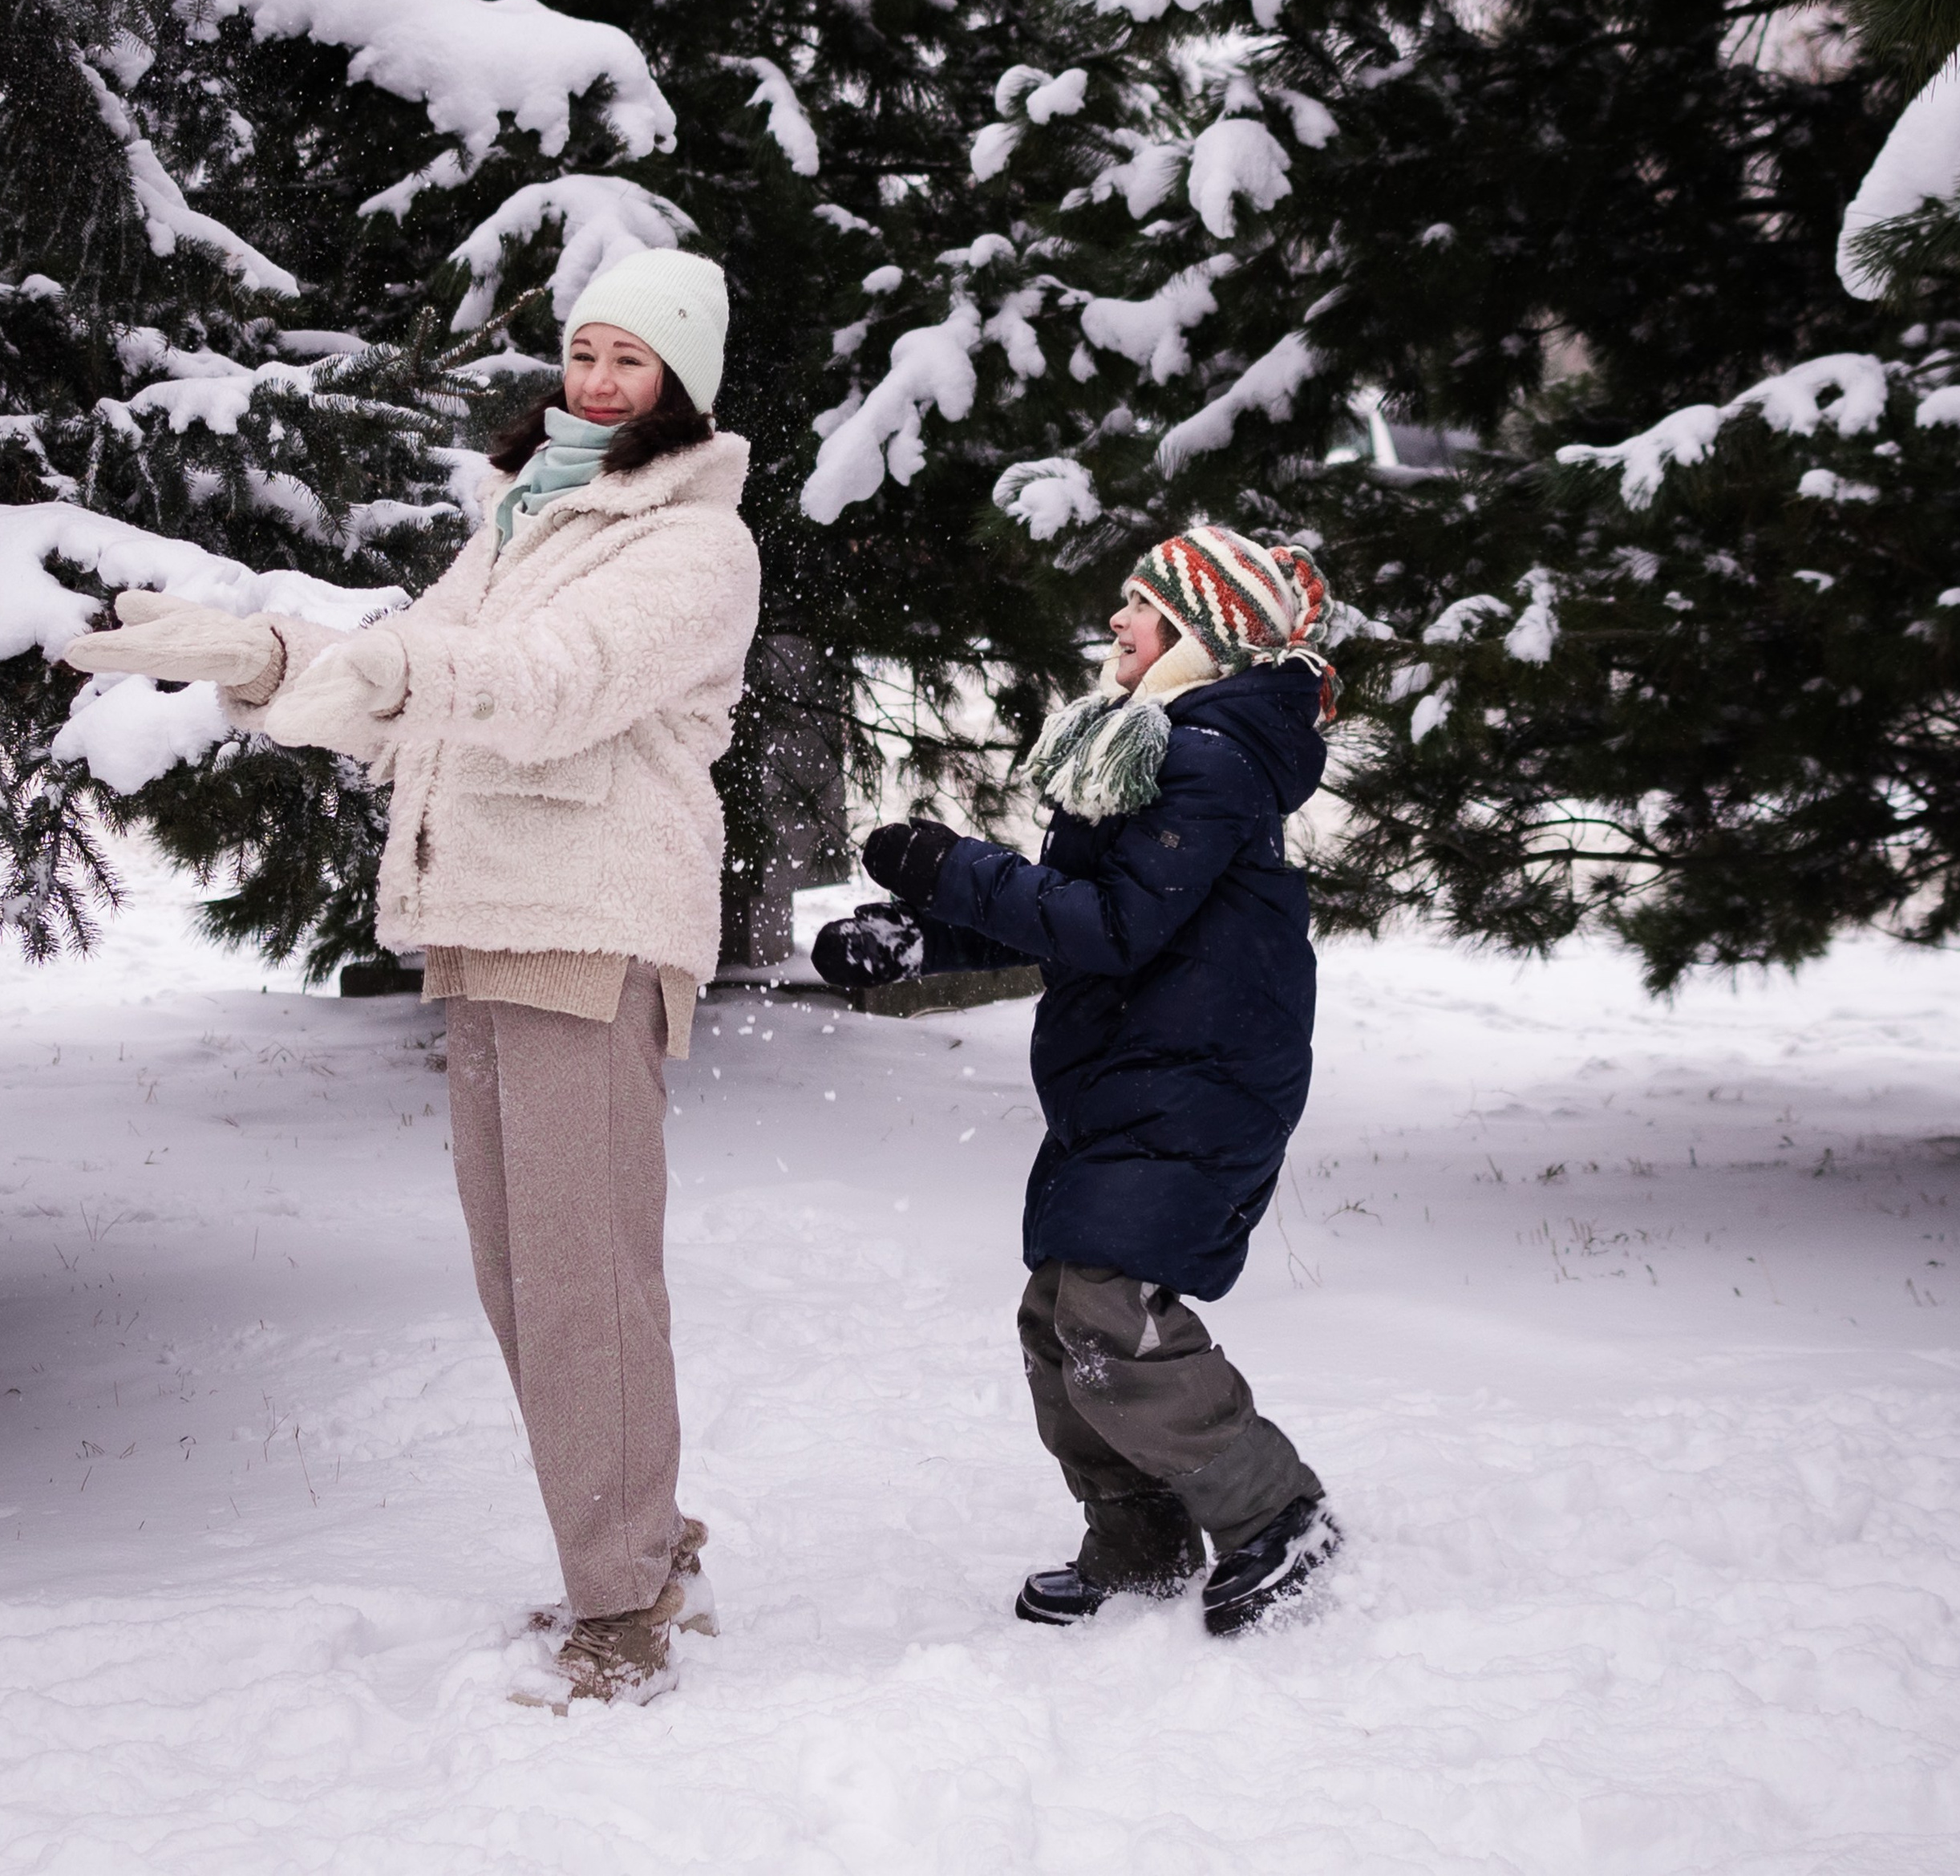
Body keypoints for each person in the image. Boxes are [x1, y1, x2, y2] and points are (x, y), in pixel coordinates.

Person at [63, 248, 760, 1708]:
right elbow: (422, 673)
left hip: (591, 916)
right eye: (582, 351)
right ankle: (638, 1535)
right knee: (527, 1279)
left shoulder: (694, 547)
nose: (594, 382)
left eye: (630, 361)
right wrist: (260, 654)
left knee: (584, 1279)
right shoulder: (526, 514)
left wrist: (393, 676)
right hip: (490, 912)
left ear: (682, 385)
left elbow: (551, 679)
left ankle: (626, 1600)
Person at [816, 525, 1343, 1635]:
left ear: (1204, 632)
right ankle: (1137, 1538)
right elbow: (1074, 921)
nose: (1117, 622)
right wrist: (925, 938)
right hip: (1126, 1078)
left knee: (1112, 1313)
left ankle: (1277, 1513)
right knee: (1060, 1317)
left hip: (1203, 1079)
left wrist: (956, 865)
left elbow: (1110, 926)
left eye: (1142, 607)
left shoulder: (1213, 759)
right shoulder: (1146, 743)